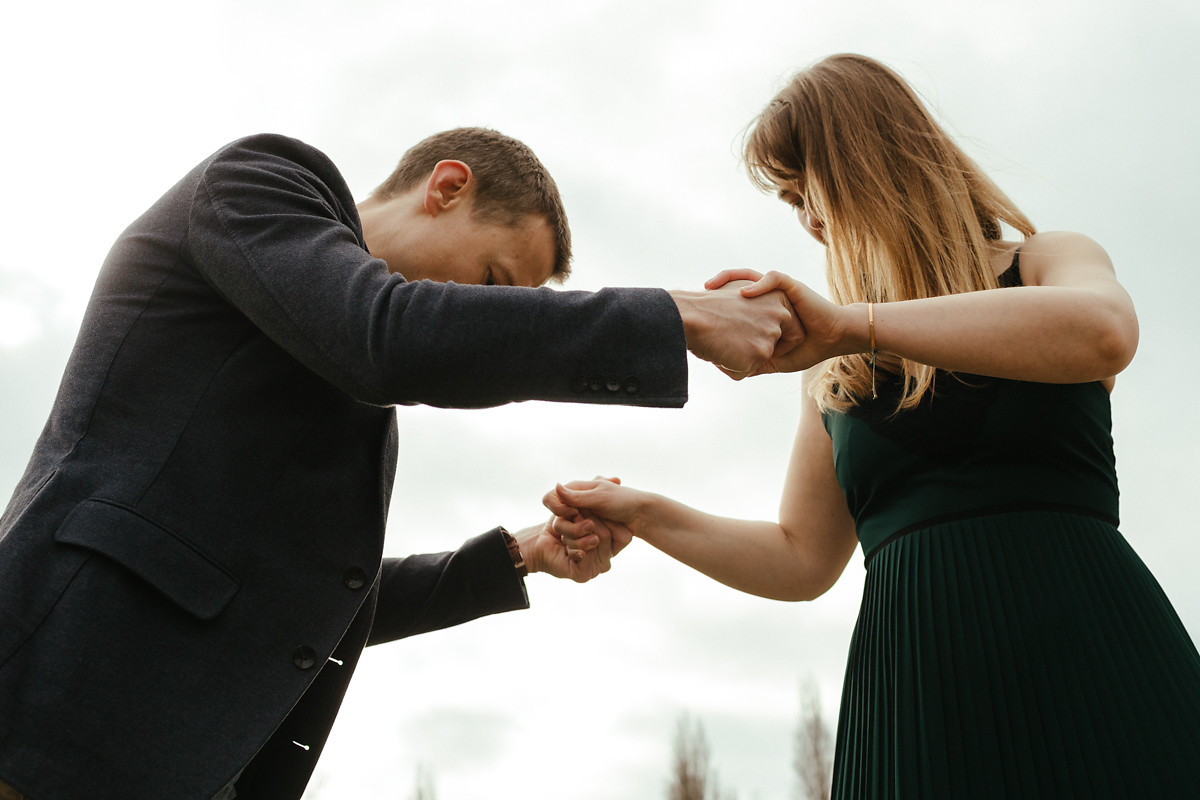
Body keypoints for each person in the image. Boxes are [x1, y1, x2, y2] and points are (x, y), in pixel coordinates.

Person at [0, 128, 798, 800]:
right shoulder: (259, 183)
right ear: (446, 187)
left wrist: (522, 556)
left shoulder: (355, 382)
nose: (485, 312)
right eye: (493, 284)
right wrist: (673, 317)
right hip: (57, 705)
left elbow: (311, 603)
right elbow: (388, 339)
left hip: (182, 761)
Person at [548, 54, 1200, 799]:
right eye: (790, 201)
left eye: (808, 188)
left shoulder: (1047, 261)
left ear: (869, 162)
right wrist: (643, 512)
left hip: (1096, 662)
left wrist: (856, 324)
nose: (809, 221)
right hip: (918, 705)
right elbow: (801, 561)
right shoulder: (836, 373)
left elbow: (1106, 334)